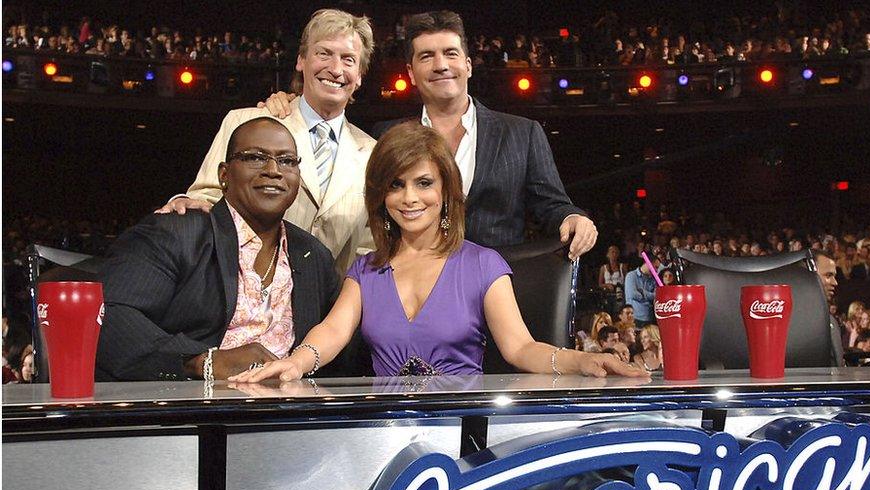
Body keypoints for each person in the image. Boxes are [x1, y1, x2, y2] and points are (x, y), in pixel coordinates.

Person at [230, 123, 646, 382]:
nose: (409, 198)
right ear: (380, 196)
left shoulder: (484, 265)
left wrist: (582, 362)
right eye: (395, 185)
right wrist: (296, 363)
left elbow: (520, 348)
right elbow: (332, 332)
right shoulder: (366, 271)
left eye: (423, 183)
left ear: (446, 192)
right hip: (380, 434)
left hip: (460, 433)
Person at [260, 11, 598, 260]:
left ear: (468, 64)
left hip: (498, 293)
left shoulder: (522, 133)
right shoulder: (386, 136)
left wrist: (573, 217)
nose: (440, 65)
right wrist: (289, 104)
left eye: (450, 54)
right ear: (411, 72)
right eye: (426, 56)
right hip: (412, 293)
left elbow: (552, 204)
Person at [96, 118, 341, 381]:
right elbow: (108, 314)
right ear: (224, 175)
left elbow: (342, 338)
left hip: (287, 412)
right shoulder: (177, 233)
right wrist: (202, 362)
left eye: (287, 161)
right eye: (256, 157)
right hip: (191, 411)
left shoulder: (313, 255)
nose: (274, 170)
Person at [156, 10, 377, 275]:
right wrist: (184, 204)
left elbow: (369, 248)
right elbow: (205, 198)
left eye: (348, 59)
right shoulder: (245, 122)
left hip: (329, 309)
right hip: (239, 299)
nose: (336, 69)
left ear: (360, 75)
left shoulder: (374, 153)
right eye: (324, 53)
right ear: (301, 60)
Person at [623, 261, 656, 327]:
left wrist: (643, 293)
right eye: (655, 267)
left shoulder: (653, 279)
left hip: (649, 317)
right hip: (635, 317)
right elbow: (633, 294)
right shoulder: (631, 275)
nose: (656, 270)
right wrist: (649, 296)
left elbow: (656, 295)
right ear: (647, 263)